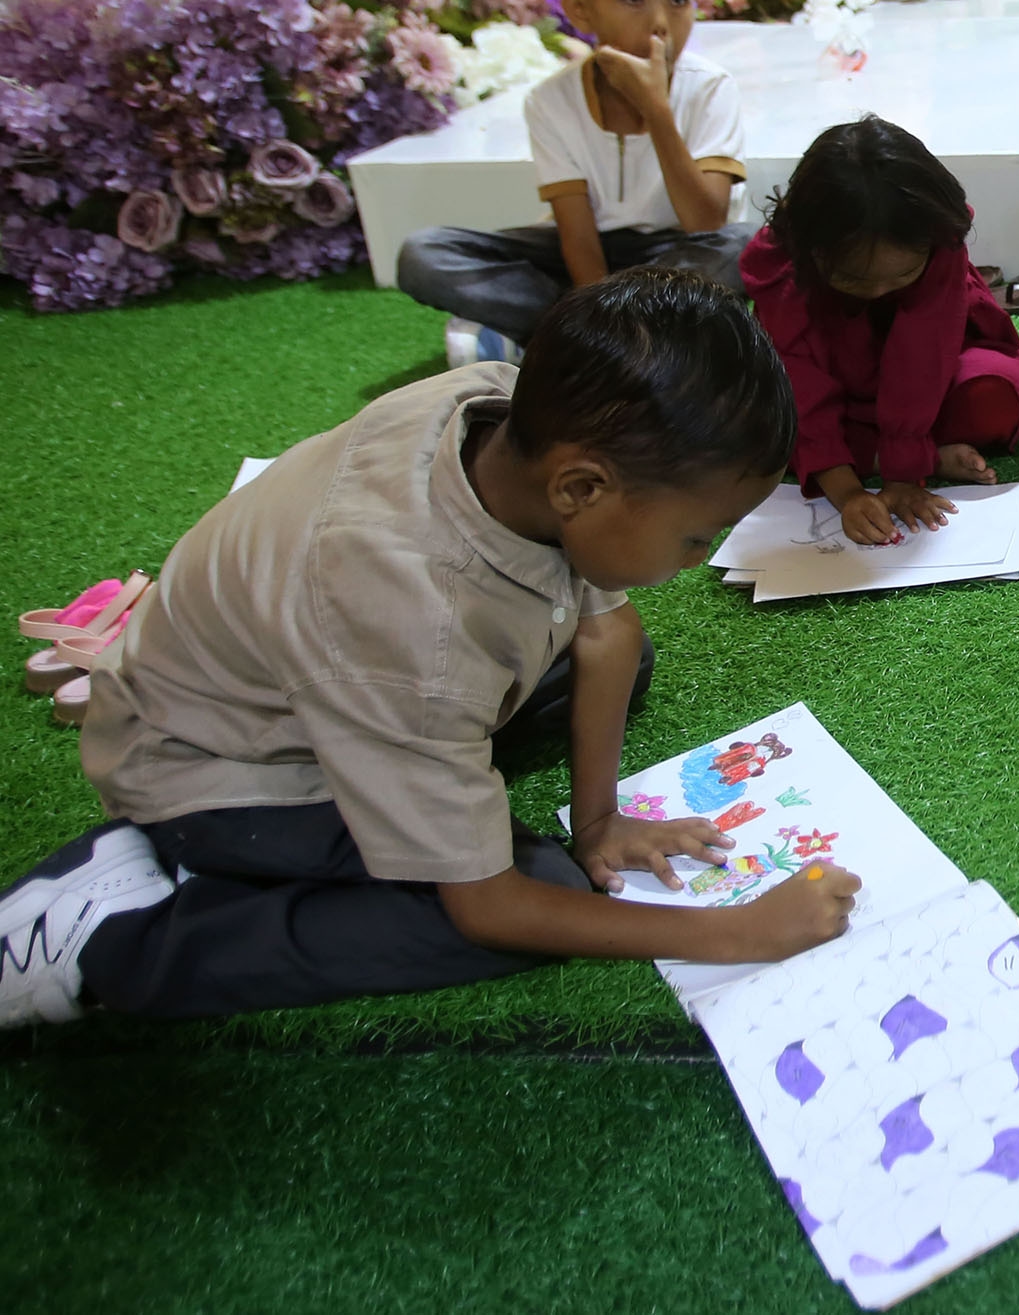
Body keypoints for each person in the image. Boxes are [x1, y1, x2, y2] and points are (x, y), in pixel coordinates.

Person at [0, 270, 861, 1027]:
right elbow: (488, 906)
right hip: (209, 767)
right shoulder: (414, 624)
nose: (701, 556)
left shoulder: (495, 403)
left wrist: (600, 822)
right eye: (695, 535)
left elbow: (608, 630)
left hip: (321, 673)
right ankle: (122, 938)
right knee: (541, 895)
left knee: (616, 669)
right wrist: (734, 931)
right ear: (581, 487)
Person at [398, 0, 754, 363]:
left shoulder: (710, 89)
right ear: (581, 11)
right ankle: (634, 339)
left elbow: (705, 222)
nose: (662, 22)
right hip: (587, 256)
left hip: (678, 252)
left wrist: (657, 112)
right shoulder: (552, 101)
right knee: (425, 253)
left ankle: (560, 337)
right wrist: (597, 296)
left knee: (743, 246)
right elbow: (578, 235)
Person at [741, 116, 1019, 546]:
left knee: (995, 396)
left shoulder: (937, 238)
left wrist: (904, 472)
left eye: (903, 275)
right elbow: (797, 382)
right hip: (827, 388)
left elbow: (924, 356)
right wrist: (847, 492)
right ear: (810, 249)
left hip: (931, 382)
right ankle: (899, 456)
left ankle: (880, 453)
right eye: (853, 280)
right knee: (755, 426)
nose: (877, 292)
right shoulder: (785, 264)